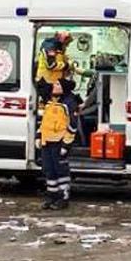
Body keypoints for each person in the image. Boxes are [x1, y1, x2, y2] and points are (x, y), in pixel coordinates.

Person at [35, 77, 78, 210]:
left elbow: (72, 126)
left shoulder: (68, 103)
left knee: (61, 171)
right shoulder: (49, 103)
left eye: (58, 84)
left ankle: (63, 198)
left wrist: (66, 145)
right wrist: (39, 136)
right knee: (49, 170)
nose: (54, 85)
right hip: (47, 142)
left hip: (59, 142)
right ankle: (51, 197)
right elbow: (43, 122)